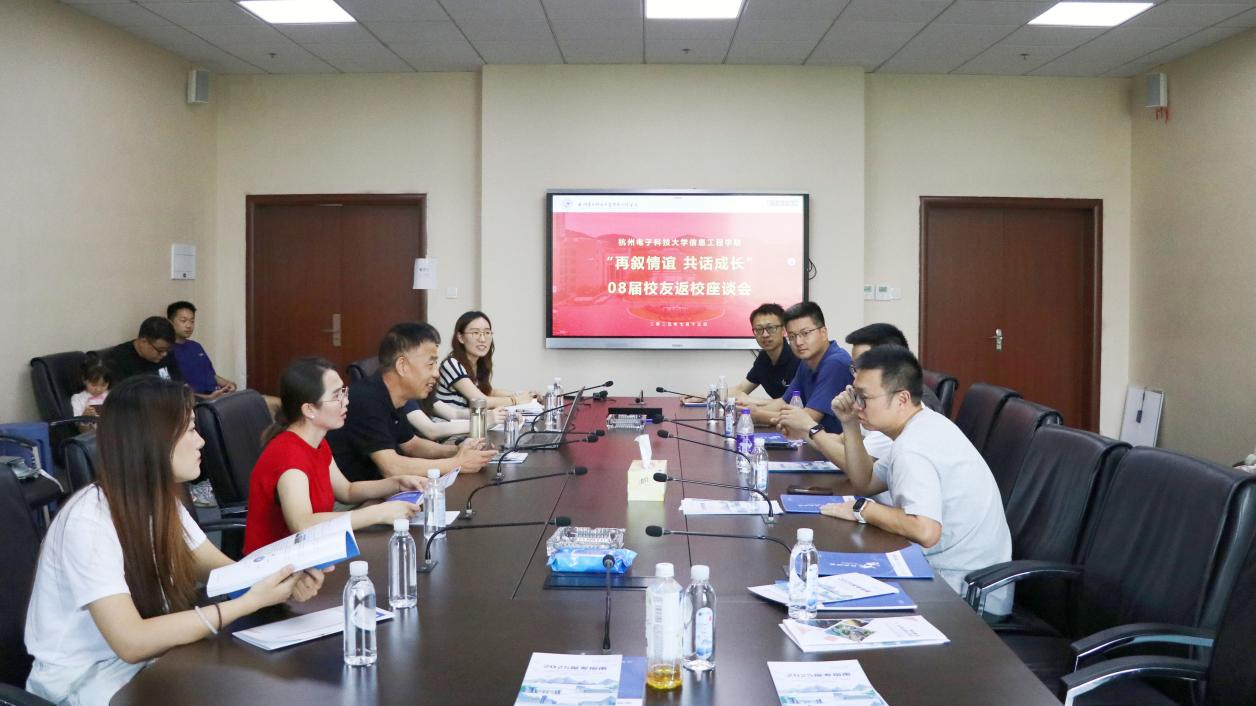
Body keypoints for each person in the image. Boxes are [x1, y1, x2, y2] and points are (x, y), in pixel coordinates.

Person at [24, 376, 327, 705]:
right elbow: (131, 641)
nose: (201, 441)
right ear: (154, 439)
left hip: (149, 661)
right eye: (191, 429)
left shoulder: (158, 500)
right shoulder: (89, 520)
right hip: (83, 682)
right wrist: (248, 602)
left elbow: (218, 568)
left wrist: (284, 575)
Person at [817, 346, 1012, 617]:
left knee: (832, 607)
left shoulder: (913, 447)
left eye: (864, 397)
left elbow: (925, 531)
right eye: (854, 394)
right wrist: (849, 424)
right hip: (949, 576)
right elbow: (866, 482)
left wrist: (863, 509)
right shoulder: (922, 424)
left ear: (902, 399)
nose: (856, 405)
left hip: (966, 596)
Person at [243, 358, 426, 554]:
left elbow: (346, 491)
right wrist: (377, 513)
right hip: (276, 561)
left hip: (313, 550)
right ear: (309, 409)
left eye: (344, 392)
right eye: (336, 396)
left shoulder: (317, 441)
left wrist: (395, 484)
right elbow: (302, 524)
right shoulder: (288, 455)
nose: (346, 401)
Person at [328, 322, 497, 482]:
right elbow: (391, 467)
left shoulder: (392, 395)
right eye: (430, 364)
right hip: (356, 496)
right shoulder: (366, 399)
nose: (436, 373)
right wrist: (457, 463)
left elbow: (411, 445)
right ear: (402, 366)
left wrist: (457, 451)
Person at [775, 323, 942, 464]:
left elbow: (859, 467)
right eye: (855, 366)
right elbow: (842, 442)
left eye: (864, 366)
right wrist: (803, 432)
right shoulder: (871, 400)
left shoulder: (898, 407)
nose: (856, 377)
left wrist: (810, 428)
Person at [743, 301, 853, 433]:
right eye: (792, 336)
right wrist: (747, 411)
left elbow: (809, 418)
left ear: (823, 333)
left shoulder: (836, 363)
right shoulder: (806, 362)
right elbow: (784, 402)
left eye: (805, 333)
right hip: (813, 439)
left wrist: (760, 415)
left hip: (836, 442)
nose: (798, 342)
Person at [434, 311, 536, 414]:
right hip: (448, 423)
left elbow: (488, 391)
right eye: (475, 333)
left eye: (487, 333)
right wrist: (516, 400)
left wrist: (523, 395)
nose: (482, 339)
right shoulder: (451, 364)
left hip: (469, 422)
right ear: (460, 337)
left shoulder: (477, 363)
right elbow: (482, 401)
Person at [730, 303, 800, 403]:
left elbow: (792, 402)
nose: (765, 335)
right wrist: (711, 395)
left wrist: (752, 401)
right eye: (759, 329)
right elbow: (741, 389)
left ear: (784, 330)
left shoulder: (798, 357)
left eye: (770, 328)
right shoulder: (763, 358)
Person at [167, 301, 236, 400]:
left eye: (192, 321)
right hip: (197, 401)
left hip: (216, 396)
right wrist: (207, 398)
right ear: (170, 322)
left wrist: (229, 384)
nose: (189, 325)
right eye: (183, 321)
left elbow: (211, 375)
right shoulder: (166, 351)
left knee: (255, 398)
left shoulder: (196, 346)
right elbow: (175, 391)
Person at [102, 317, 182, 384]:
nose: (164, 354)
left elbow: (178, 383)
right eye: (160, 350)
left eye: (167, 349)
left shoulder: (167, 352)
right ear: (143, 341)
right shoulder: (118, 359)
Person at [70, 353, 111, 420]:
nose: (98, 389)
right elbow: (79, 425)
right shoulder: (78, 399)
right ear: (84, 380)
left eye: (103, 385)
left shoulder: (111, 395)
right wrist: (84, 416)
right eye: (93, 385)